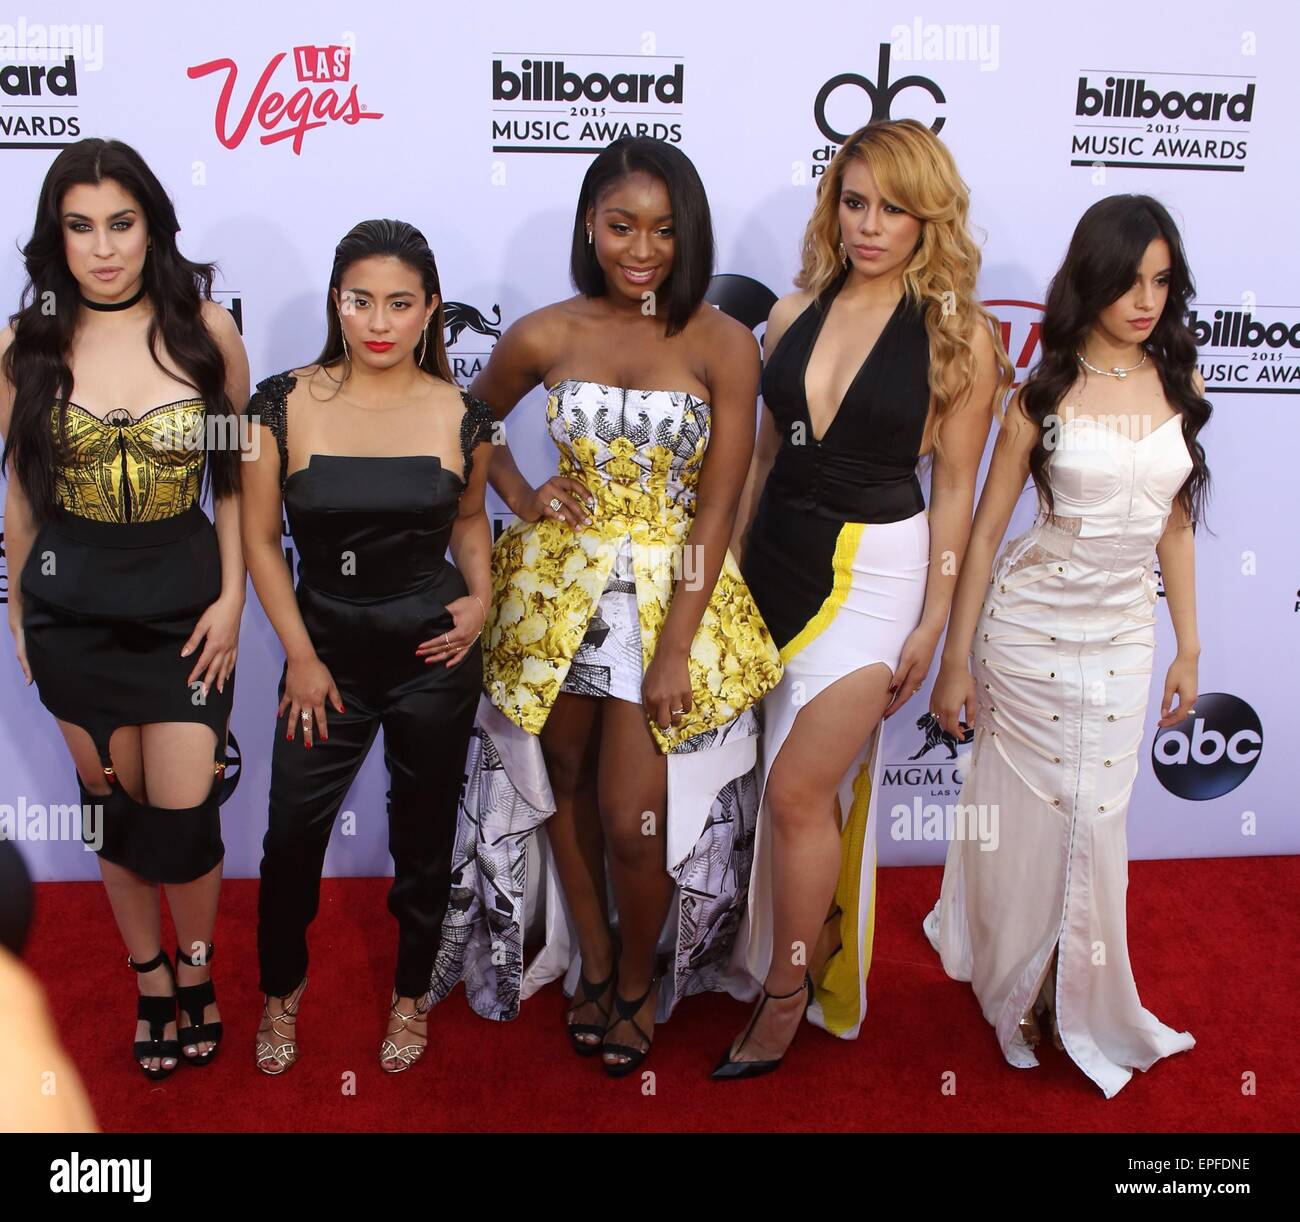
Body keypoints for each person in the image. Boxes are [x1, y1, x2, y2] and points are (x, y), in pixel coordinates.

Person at [426, 137, 783, 1077]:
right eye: (623, 226)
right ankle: (592, 956)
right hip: (555, 599)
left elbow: (718, 509)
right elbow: (469, 420)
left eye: (664, 231)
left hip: (670, 598)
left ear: (688, 235)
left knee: (632, 818)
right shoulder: (545, 332)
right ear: (591, 225)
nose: (643, 249)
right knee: (561, 783)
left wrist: (675, 649)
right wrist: (519, 492)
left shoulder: (722, 341)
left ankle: (634, 978)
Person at [719, 118, 1010, 1078]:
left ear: (930, 216)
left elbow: (956, 489)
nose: (870, 225)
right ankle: (763, 950)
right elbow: (763, 457)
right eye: (854, 203)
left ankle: (789, 991)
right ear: (833, 207)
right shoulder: (789, 315)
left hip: (876, 578)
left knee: (798, 791)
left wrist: (935, 622)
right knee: (770, 789)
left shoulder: (962, 337)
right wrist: (723, 569)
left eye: (893, 207)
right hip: (771, 565)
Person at [924, 193, 1207, 1097]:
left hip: (1124, 633)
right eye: (1128, 281)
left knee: (1098, 817)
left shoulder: (1181, 384)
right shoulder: (1039, 395)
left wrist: (1189, 645)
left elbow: (1173, 526)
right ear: (1090, 281)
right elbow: (983, 534)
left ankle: (1077, 991)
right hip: (1030, 630)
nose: (1146, 300)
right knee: (1039, 815)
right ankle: (1026, 985)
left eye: (1161, 281)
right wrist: (955, 660)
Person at [1, 138, 247, 1080]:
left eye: (121, 223)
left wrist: (232, 597)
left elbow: (234, 482)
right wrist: (19, 611)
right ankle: (151, 979)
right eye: (80, 227)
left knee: (183, 825)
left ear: (152, 228)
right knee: (111, 814)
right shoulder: (26, 346)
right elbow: (21, 493)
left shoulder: (205, 333)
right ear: (55, 237)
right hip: (71, 613)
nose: (102, 248)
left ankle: (197, 968)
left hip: (186, 612)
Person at [241, 219, 495, 1074]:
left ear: (430, 310)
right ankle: (281, 991)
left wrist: (482, 600)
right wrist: (301, 657)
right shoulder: (279, 403)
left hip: (434, 659)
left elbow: (470, 521)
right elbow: (258, 540)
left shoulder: (464, 413)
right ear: (335, 303)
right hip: (324, 661)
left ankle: (410, 995)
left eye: (399, 303)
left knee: (423, 843)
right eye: (360, 302)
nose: (379, 322)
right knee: (288, 840)